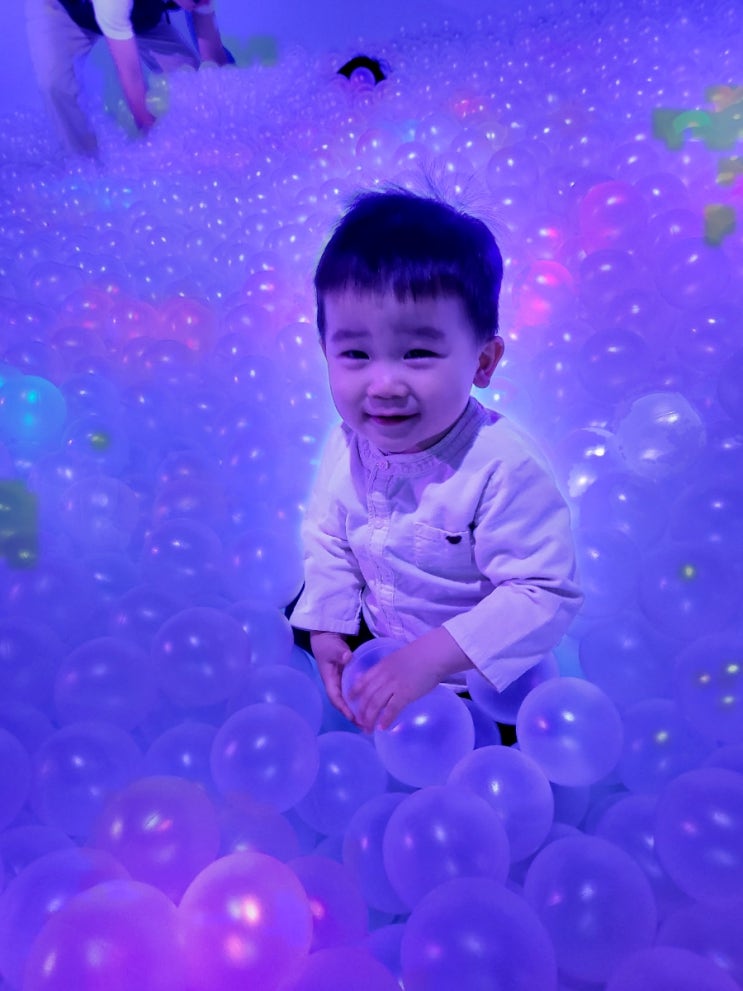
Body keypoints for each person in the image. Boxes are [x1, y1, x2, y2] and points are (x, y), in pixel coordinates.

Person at [290, 189, 583, 734]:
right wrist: (327, 626)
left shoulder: (500, 466)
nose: (383, 384)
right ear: (324, 349)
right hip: (376, 642)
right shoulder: (347, 442)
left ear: (483, 361)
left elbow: (542, 591)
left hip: (473, 676)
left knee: (504, 754)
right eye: (355, 353)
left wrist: (429, 658)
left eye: (418, 353)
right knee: (296, 621)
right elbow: (330, 539)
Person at [25, 0, 230, 158]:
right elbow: (131, 76)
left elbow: (214, 62)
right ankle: (85, 171)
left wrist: (228, 113)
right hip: (65, 9)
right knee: (55, 84)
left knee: (189, 79)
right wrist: (156, 145)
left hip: (138, 15)